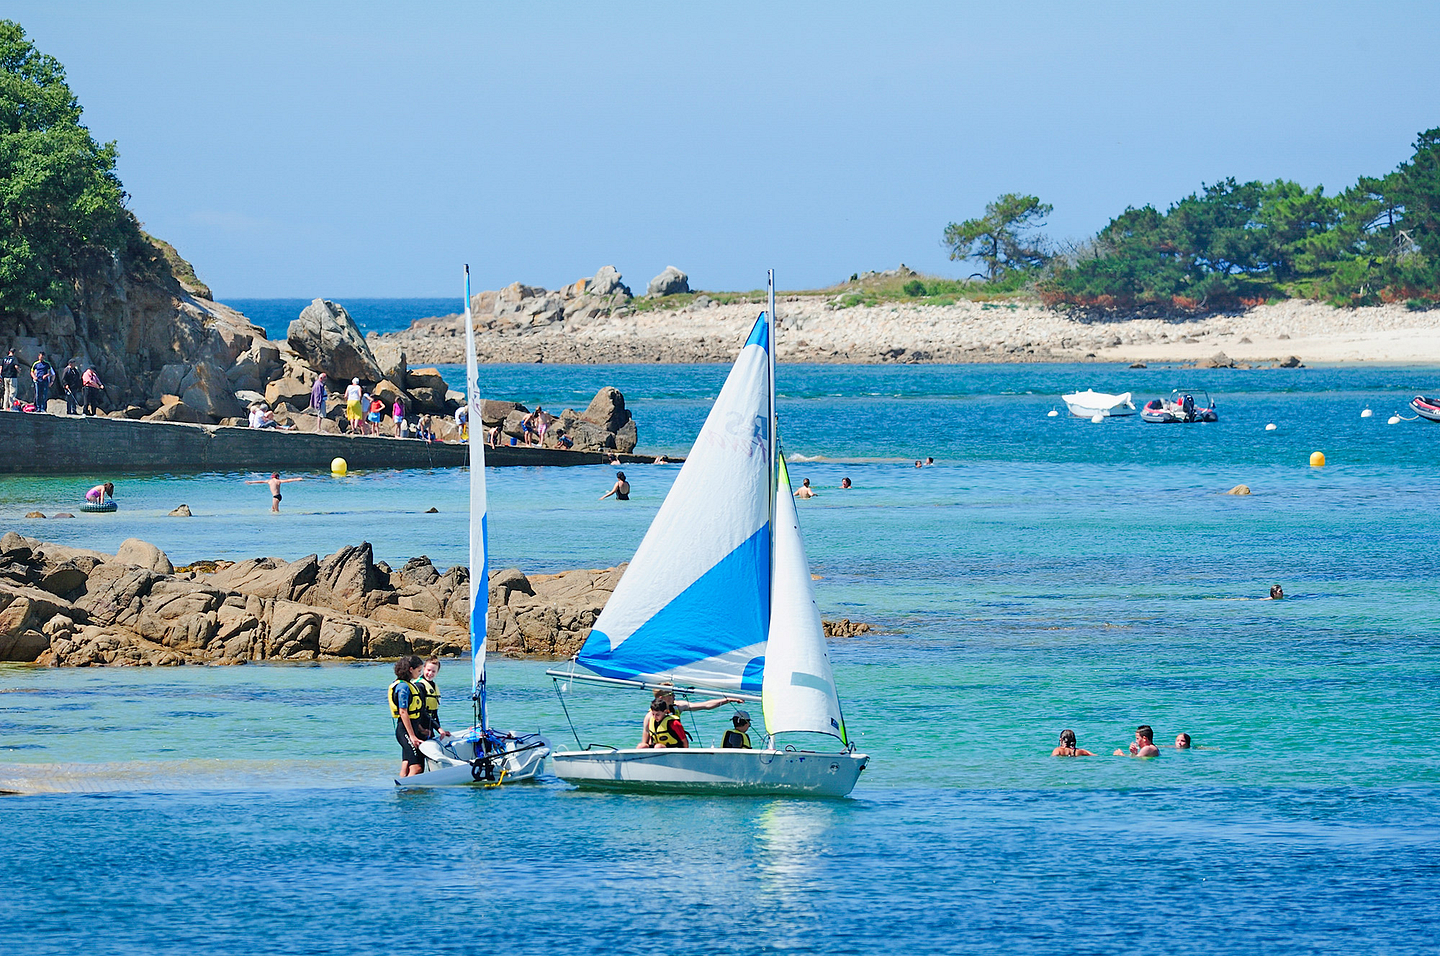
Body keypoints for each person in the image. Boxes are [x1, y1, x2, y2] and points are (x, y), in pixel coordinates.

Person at [638, 685, 741, 748]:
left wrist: (727, 700)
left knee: (659, 747)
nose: (674, 696)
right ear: (661, 698)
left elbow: (706, 705)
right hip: (658, 748)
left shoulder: (678, 706)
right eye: (671, 694)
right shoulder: (649, 716)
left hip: (674, 747)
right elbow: (646, 740)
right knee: (643, 746)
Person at [389, 657, 428, 777]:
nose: (420, 673)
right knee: (417, 768)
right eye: (419, 670)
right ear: (411, 669)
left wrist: (420, 729)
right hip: (405, 730)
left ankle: (403, 792)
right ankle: (412, 794)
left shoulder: (409, 685)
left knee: (406, 765)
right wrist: (412, 736)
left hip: (413, 728)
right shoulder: (403, 688)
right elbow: (403, 712)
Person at [413, 657, 447, 740]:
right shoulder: (419, 686)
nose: (430, 673)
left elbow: (434, 713)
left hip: (429, 725)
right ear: (424, 669)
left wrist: (441, 730)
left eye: (433, 671)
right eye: (428, 670)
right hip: (419, 727)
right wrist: (438, 729)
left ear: (437, 672)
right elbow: (422, 711)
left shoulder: (433, 686)